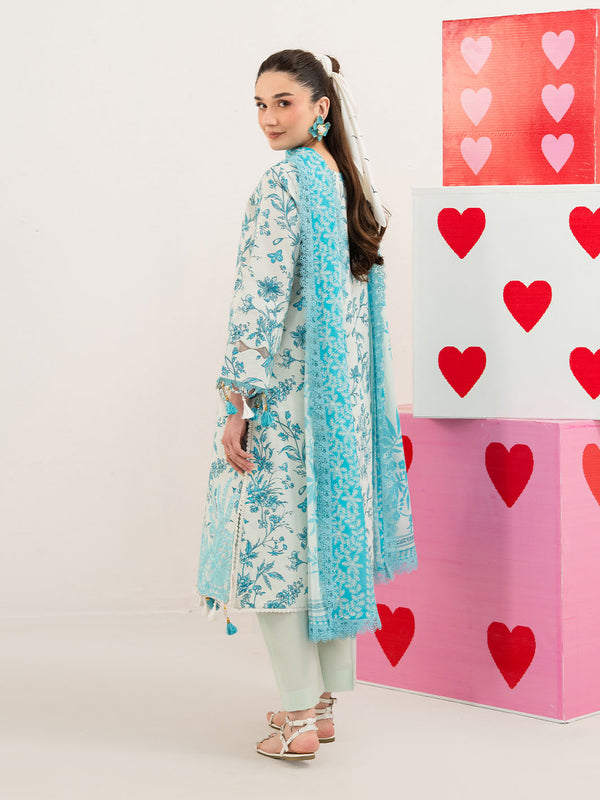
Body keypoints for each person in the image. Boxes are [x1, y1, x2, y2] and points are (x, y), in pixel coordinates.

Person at [195, 49, 417, 761]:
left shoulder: (284, 182)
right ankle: (319, 706)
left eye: (283, 102)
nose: (268, 118)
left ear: (322, 107)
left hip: (287, 406)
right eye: (260, 105)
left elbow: (258, 299)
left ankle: (294, 721)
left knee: (274, 554)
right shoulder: (348, 183)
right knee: (325, 548)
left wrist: (239, 402)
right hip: (341, 410)